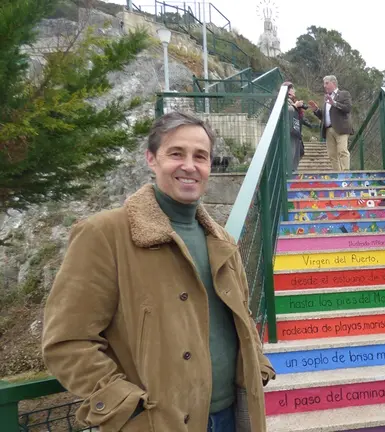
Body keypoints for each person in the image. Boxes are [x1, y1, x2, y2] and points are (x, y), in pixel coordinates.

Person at [42, 111, 276, 432]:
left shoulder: (222, 240)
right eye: (176, 153)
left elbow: (242, 315)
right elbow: (67, 341)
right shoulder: (105, 234)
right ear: (151, 159)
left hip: (234, 414)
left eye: (200, 156)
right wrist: (124, 405)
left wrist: (256, 364)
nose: (189, 166)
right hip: (158, 422)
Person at [308, 75, 353, 171]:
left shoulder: (344, 94)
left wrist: (334, 103)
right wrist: (316, 110)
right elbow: (325, 116)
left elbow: (348, 108)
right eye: (324, 84)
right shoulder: (326, 99)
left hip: (341, 128)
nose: (324, 86)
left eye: (327, 83)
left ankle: (346, 174)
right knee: (332, 155)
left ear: (333, 83)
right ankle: (338, 175)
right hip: (328, 130)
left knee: (342, 151)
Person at [284, 81, 313, 172]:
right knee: (291, 152)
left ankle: (293, 170)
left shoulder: (292, 101)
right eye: (292, 89)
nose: (294, 90)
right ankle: (289, 171)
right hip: (289, 131)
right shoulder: (283, 101)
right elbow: (286, 111)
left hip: (296, 131)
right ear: (288, 90)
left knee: (297, 153)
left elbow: (299, 116)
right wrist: (295, 105)